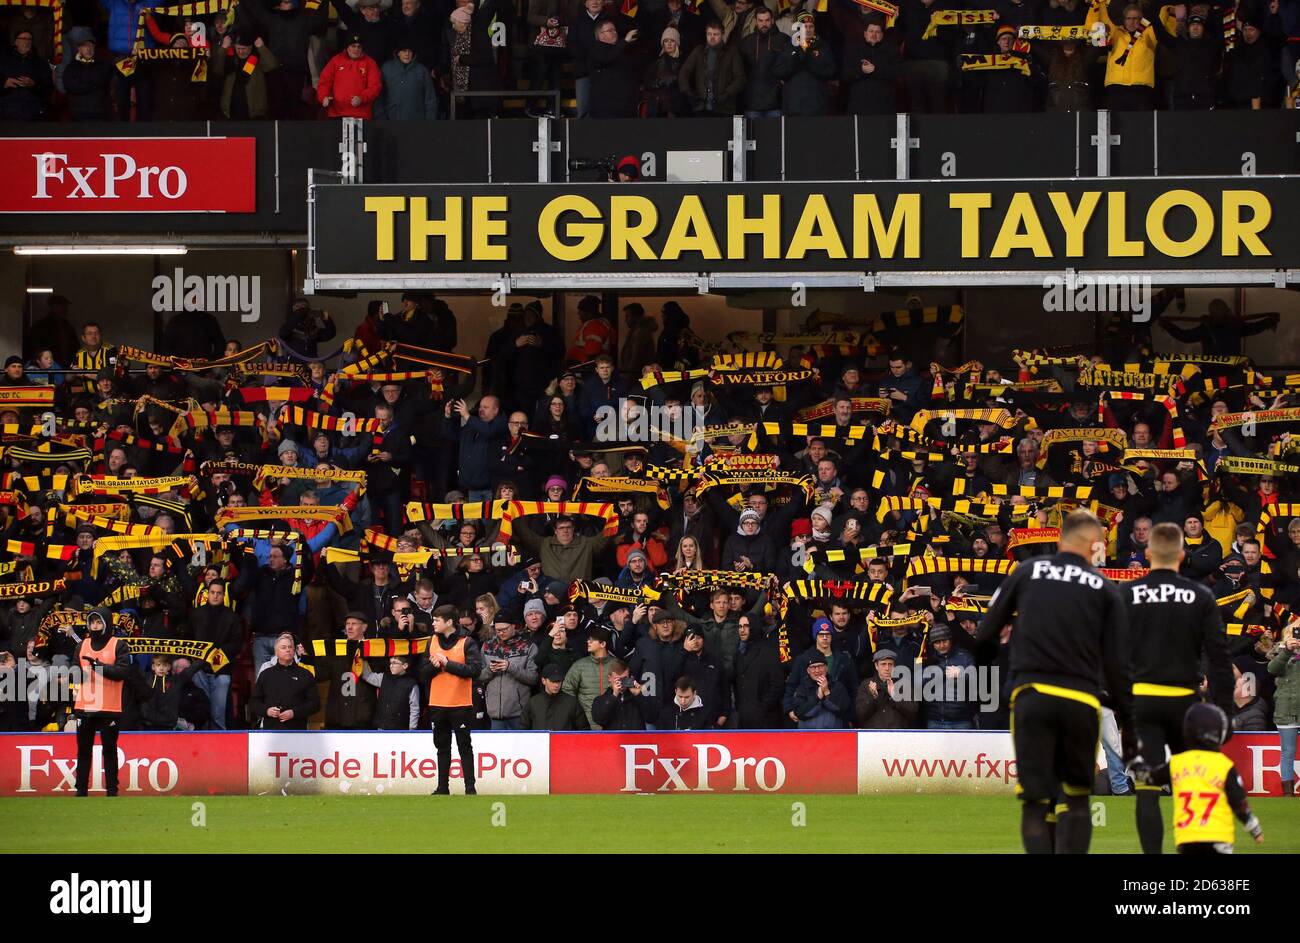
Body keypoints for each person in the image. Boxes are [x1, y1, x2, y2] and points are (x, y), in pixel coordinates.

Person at [976, 509, 1139, 854]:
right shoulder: (1106, 589)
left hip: (1032, 696)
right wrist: (1128, 717)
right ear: (1095, 546)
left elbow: (986, 631)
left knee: (1037, 803)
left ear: (1060, 539)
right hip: (1081, 701)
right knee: (1077, 801)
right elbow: (1117, 665)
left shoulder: (1028, 572)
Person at [1124, 522, 1235, 853]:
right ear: (1183, 555)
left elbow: (1108, 654)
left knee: (1146, 789)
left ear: (1147, 554)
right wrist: (1225, 712)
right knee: (1196, 785)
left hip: (1142, 704)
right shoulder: (1200, 596)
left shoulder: (1126, 594)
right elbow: (1219, 658)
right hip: (1187, 706)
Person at [1136, 703, 1264, 854]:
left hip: (1187, 838)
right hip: (1218, 838)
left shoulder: (1177, 762)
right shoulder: (1224, 765)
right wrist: (1253, 827)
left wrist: (1136, 767)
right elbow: (1239, 802)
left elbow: (1152, 778)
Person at [420, 605, 484, 795]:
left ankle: (470, 788)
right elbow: (422, 675)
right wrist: (433, 666)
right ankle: (442, 787)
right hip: (437, 704)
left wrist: (448, 664)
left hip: (460, 704)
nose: (433, 623)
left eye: (436, 620)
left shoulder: (467, 642)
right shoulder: (431, 641)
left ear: (449, 622)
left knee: (464, 746)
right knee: (442, 747)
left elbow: (475, 671)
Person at [73, 609, 133, 796]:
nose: (95, 626)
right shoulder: (82, 645)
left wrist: (99, 667)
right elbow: (74, 668)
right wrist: (74, 673)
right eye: (93, 623)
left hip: (109, 706)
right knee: (83, 751)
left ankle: (112, 791)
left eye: (99, 623)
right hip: (84, 705)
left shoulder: (118, 645)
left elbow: (123, 672)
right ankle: (80, 791)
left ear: (107, 623)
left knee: (109, 750)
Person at [248, 633, 321, 730]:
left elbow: (315, 704)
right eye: (283, 647)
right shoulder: (266, 674)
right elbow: (253, 702)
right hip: (270, 731)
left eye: (290, 647)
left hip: (297, 731)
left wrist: (294, 713)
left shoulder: (305, 674)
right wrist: (267, 711)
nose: (288, 650)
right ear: (276, 652)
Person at [319, 33, 383, 118]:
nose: (356, 49)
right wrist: (323, 96)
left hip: (360, 114)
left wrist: (361, 98)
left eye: (359, 46)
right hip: (336, 113)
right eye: (353, 46)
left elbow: (375, 87)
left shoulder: (370, 63)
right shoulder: (336, 61)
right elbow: (324, 82)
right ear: (347, 47)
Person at [591, 658, 659, 729]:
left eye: (624, 679)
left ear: (630, 677)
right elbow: (599, 720)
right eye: (618, 679)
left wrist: (638, 694)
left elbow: (651, 717)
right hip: (613, 739)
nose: (621, 683)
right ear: (609, 678)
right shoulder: (600, 700)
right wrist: (614, 696)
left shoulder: (637, 698)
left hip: (636, 739)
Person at [379, 39, 438, 118]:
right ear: (398, 53)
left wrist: (430, 121)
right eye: (404, 51)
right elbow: (379, 96)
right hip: (393, 119)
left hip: (416, 122)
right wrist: (381, 118)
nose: (407, 54)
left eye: (410, 51)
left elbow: (430, 98)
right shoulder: (386, 68)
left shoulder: (421, 70)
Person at [521, 662, 589, 730]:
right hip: (540, 740)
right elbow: (523, 730)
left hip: (565, 740)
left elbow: (584, 730)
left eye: (559, 681)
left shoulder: (572, 702)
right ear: (543, 680)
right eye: (553, 681)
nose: (556, 685)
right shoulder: (533, 703)